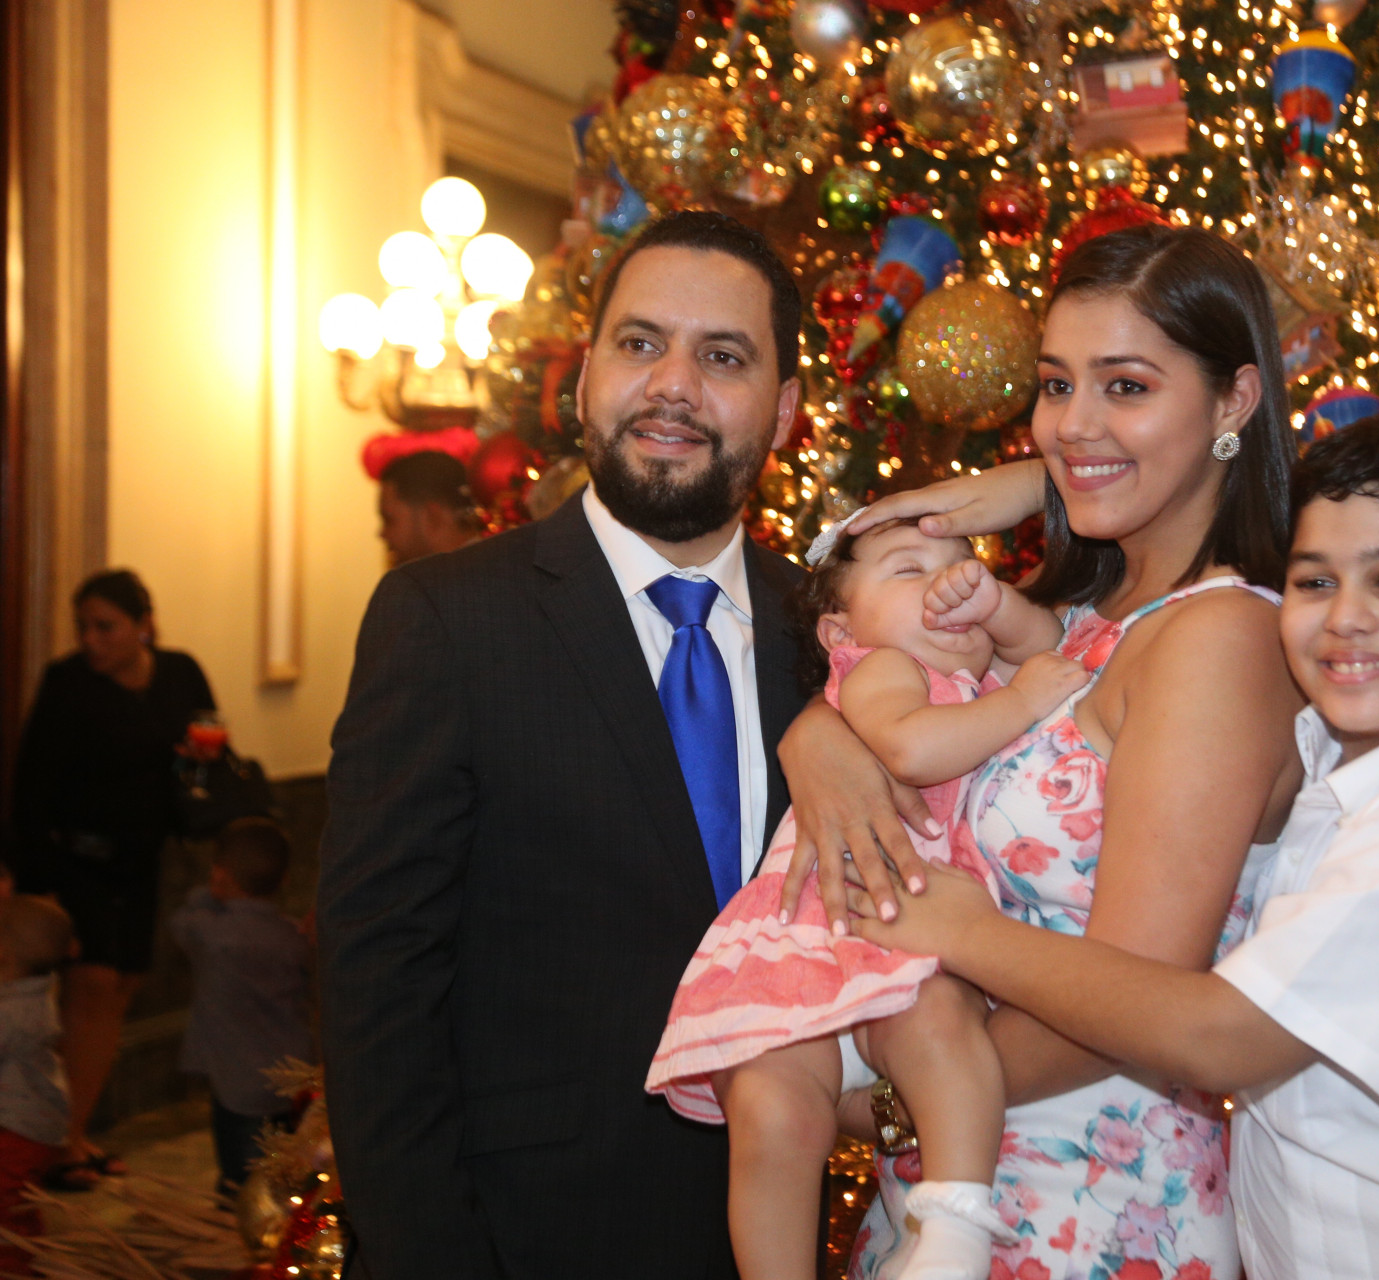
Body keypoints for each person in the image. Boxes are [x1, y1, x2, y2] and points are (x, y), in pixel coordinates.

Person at [847, 414, 1379, 1280]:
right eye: (1315, 581)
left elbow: (1221, 1036)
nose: (1347, 619)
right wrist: (1041, 481)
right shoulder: (1350, 742)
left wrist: (966, 935)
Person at [319, 209, 922, 1280]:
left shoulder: (837, 646)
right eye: (641, 343)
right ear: (587, 372)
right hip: (519, 1242)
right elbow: (378, 990)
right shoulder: (447, 621)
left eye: (723, 356)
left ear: (785, 409)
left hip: (785, 1238)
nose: (673, 386)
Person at [780, 224, 1305, 1275]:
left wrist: (884, 1106)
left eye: (1126, 385)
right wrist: (816, 742)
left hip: (1092, 1207)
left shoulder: (1219, 637)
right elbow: (884, 687)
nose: (1074, 423)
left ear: (1235, 401)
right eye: (1056, 385)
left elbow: (1138, 992)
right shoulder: (1074, 616)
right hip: (948, 1194)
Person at [648, 518, 1086, 1280]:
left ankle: (952, 1235)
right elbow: (911, 748)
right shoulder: (883, 668)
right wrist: (1021, 703)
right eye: (911, 571)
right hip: (823, 930)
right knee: (772, 1110)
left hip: (909, 945)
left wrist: (992, 606)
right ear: (839, 631)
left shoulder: (978, 678)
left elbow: (1049, 640)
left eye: (963, 566)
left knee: (944, 1037)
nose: (946, 584)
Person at [7, 569, 218, 1189]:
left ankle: (74, 1130)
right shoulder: (68, 683)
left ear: (143, 625)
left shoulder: (178, 673)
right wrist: (36, 882)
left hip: (140, 858)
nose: (91, 640)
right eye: (84, 628)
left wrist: (200, 764)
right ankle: (58, 1140)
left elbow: (204, 743)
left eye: (106, 627)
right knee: (90, 986)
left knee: (122, 986)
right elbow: (31, 785)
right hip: (77, 860)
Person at [172, 817, 311, 1193]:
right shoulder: (293, 937)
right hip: (293, 1078)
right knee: (289, 1177)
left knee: (241, 1185)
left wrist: (210, 891)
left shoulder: (208, 933)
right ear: (284, 880)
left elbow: (181, 919)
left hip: (236, 1085)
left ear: (220, 874)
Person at [0, 895, 73, 1265]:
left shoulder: (15, 1011)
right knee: (17, 1202)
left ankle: (16, 1267)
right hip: (29, 1124)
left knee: (6, 1207)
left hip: (19, 1130)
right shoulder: (31, 990)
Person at [375, 449, 483, 566]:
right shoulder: (482, 565)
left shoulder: (477, 572)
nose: (382, 534)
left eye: (389, 520)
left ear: (433, 516)